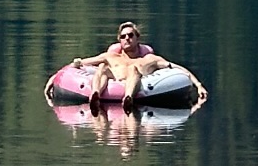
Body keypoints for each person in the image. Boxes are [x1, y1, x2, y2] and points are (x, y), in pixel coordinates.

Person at [73, 21, 205, 111]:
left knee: (133, 69)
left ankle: (128, 98)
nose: (127, 38)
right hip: (114, 77)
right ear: (119, 40)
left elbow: (179, 69)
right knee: (102, 67)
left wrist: (198, 86)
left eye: (130, 35)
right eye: (123, 36)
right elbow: (80, 63)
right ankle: (95, 94)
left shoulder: (149, 59)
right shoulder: (111, 56)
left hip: (134, 81)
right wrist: (74, 65)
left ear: (137, 38)